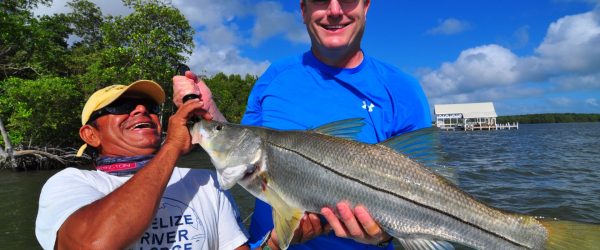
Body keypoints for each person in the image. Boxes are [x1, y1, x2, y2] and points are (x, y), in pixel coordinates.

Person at [174, 0, 431, 248]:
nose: (334, 10)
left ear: (367, 5)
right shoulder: (274, 77)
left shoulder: (403, 90)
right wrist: (211, 114)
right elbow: (244, 149)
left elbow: (426, 193)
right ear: (303, 9)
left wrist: (384, 235)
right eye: (319, 0)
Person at [35, 80, 249, 249]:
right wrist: (172, 147)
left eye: (150, 107)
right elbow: (91, 245)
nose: (141, 109)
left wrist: (273, 243)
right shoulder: (69, 182)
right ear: (90, 135)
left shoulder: (205, 180)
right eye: (122, 106)